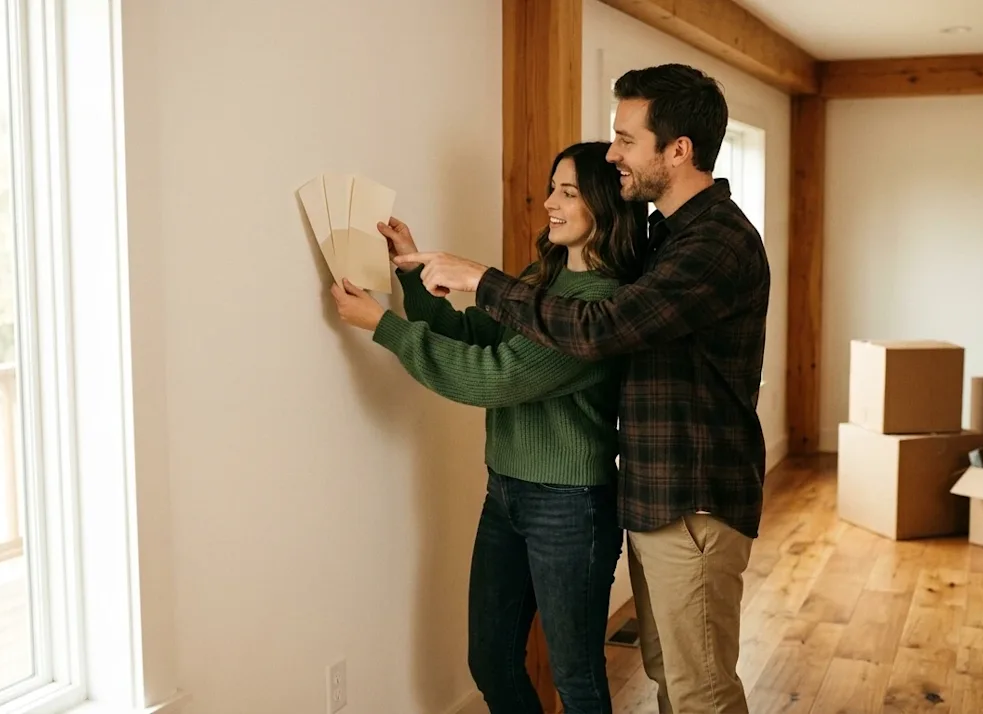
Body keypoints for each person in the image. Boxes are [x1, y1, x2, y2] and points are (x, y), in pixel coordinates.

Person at [394, 64, 771, 714]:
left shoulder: (715, 243)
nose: (615, 154)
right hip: (656, 496)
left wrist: (481, 280)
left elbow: (602, 328)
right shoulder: (663, 236)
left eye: (626, 139)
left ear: (677, 150)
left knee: (699, 693)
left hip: (695, 500)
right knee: (673, 676)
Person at [329, 141, 647, 714]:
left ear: (604, 205)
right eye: (552, 188)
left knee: (576, 680)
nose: (549, 203)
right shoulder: (543, 278)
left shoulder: (601, 307)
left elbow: (492, 377)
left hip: (571, 507)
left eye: (568, 192)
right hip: (505, 492)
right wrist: (411, 274)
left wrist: (383, 326)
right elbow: (472, 335)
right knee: (491, 661)